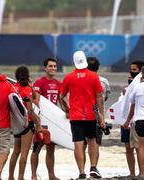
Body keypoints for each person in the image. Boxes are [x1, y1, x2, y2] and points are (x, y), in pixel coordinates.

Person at [59, 51, 105, 179]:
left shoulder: (69, 77)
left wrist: (67, 110)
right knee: (92, 141)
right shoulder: (93, 76)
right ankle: (93, 167)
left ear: (74, 62)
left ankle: (81, 172)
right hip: (91, 114)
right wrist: (101, 116)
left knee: (78, 143)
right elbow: (99, 97)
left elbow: (61, 97)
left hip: (75, 116)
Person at [8, 66, 41, 180]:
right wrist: (38, 124)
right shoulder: (27, 90)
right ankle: (20, 177)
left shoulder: (13, 88)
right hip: (27, 124)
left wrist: (32, 88)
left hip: (16, 124)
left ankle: (10, 177)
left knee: (16, 151)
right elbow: (31, 110)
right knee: (24, 153)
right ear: (28, 77)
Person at [31, 58, 61, 180]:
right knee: (36, 148)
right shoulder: (39, 83)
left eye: (54, 66)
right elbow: (35, 101)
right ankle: (33, 175)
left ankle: (51, 175)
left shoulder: (59, 84)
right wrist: (37, 122)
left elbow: (61, 101)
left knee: (51, 149)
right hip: (41, 121)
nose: (53, 68)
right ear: (45, 68)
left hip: (53, 121)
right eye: (50, 66)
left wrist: (67, 112)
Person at [121, 60, 144, 177]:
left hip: (136, 120)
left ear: (141, 71)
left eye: (134, 70)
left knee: (138, 147)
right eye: (131, 69)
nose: (131, 72)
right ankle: (132, 173)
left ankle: (142, 172)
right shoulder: (127, 88)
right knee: (128, 147)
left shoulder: (142, 87)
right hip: (125, 120)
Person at [86, 57, 111, 166]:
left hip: (82, 114)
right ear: (98, 67)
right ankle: (94, 167)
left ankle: (81, 170)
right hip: (98, 117)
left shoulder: (81, 79)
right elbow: (104, 99)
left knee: (81, 143)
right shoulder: (104, 81)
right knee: (95, 142)